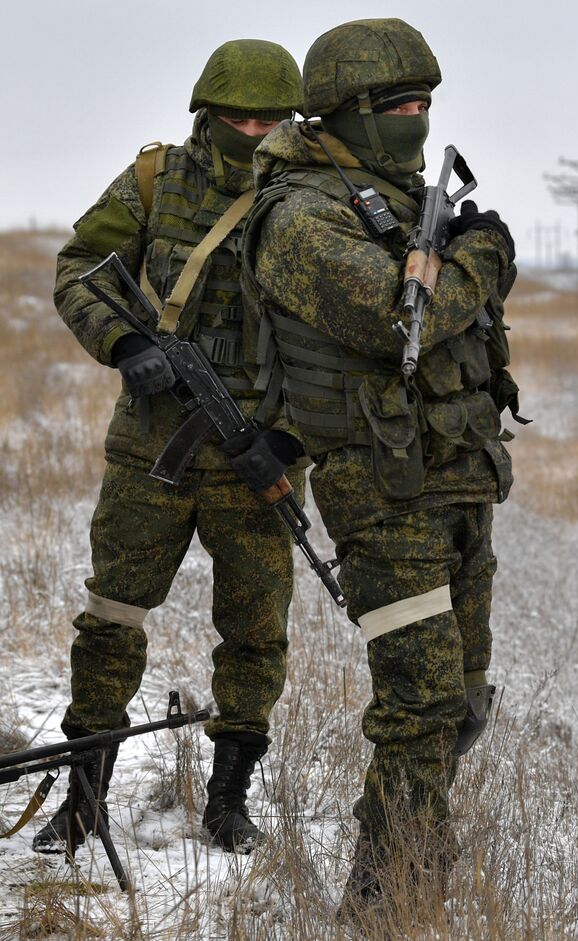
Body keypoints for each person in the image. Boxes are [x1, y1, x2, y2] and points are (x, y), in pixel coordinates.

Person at [240, 17, 519, 918]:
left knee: (465, 701)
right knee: (422, 704)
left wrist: (458, 259)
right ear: (345, 113)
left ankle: (416, 853)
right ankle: (382, 904)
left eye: (426, 102)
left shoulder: (394, 200)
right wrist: (481, 258)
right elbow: (399, 318)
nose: (418, 119)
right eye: (400, 105)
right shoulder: (297, 216)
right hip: (381, 491)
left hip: (456, 479)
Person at [43, 39, 305, 855]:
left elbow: (338, 343)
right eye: (237, 118)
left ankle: (229, 798)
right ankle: (84, 796)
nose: (254, 131)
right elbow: (82, 266)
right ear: (206, 112)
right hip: (150, 450)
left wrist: (288, 436)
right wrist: (124, 344)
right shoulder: (157, 180)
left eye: (271, 119)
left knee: (256, 630)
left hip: (256, 455)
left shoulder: (310, 197)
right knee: (113, 616)